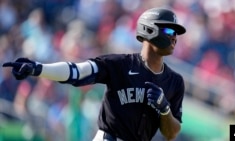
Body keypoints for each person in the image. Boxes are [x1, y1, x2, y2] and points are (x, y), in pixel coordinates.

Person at [2, 7, 186, 141]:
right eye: (169, 30)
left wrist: (165, 109)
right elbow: (77, 72)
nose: (174, 37)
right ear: (148, 30)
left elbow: (171, 133)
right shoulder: (118, 64)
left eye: (176, 33)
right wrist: (38, 68)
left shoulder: (175, 81)